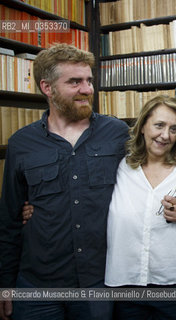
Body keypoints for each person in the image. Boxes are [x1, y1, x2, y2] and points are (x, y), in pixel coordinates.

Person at [0, 44, 129, 320]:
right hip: (37, 287)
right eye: (75, 82)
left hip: (100, 282)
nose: (87, 89)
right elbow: (9, 221)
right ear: (47, 87)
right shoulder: (22, 144)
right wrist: (6, 286)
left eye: (89, 80)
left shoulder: (117, 133)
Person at [104, 95, 176, 320]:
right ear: (142, 127)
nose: (165, 135)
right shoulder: (120, 166)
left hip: (173, 283)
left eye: (173, 129)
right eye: (159, 125)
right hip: (126, 282)